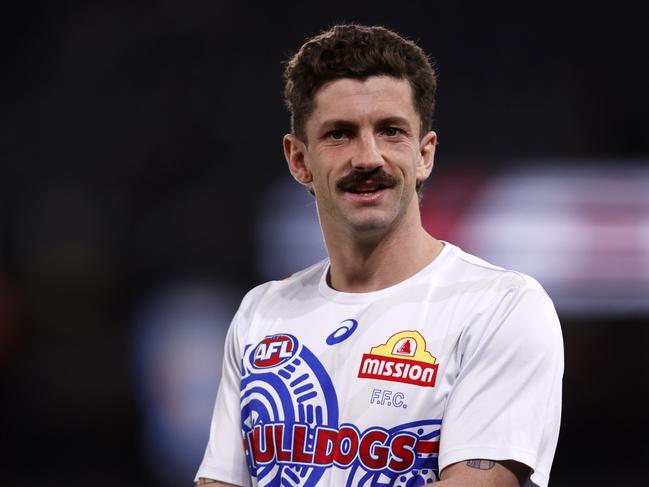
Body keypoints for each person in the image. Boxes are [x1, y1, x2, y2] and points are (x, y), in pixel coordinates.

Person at [195, 24, 563, 487]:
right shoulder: (262, 313)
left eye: (391, 131)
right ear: (298, 160)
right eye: (340, 135)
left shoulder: (501, 306)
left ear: (424, 154)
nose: (368, 158)